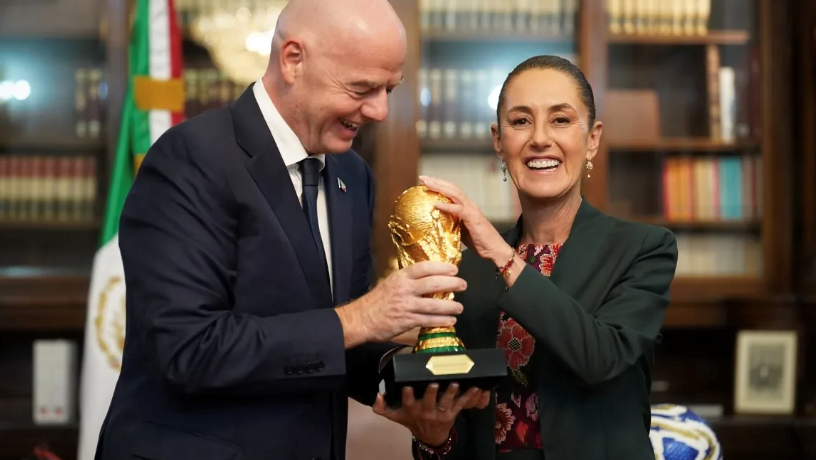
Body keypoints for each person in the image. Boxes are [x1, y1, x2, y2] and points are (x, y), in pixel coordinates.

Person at [95, 1, 488, 459]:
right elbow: (189, 350)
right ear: (293, 60)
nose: (380, 110)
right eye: (362, 88)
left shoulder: (352, 175)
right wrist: (362, 317)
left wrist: (414, 379)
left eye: (389, 89)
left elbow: (336, 341)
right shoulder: (190, 159)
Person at [373, 55, 679, 460]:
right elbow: (463, 427)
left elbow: (600, 358)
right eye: (520, 121)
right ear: (499, 141)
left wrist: (503, 256)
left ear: (592, 138)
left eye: (560, 120)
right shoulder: (467, 271)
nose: (539, 139)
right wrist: (435, 436)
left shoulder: (642, 248)